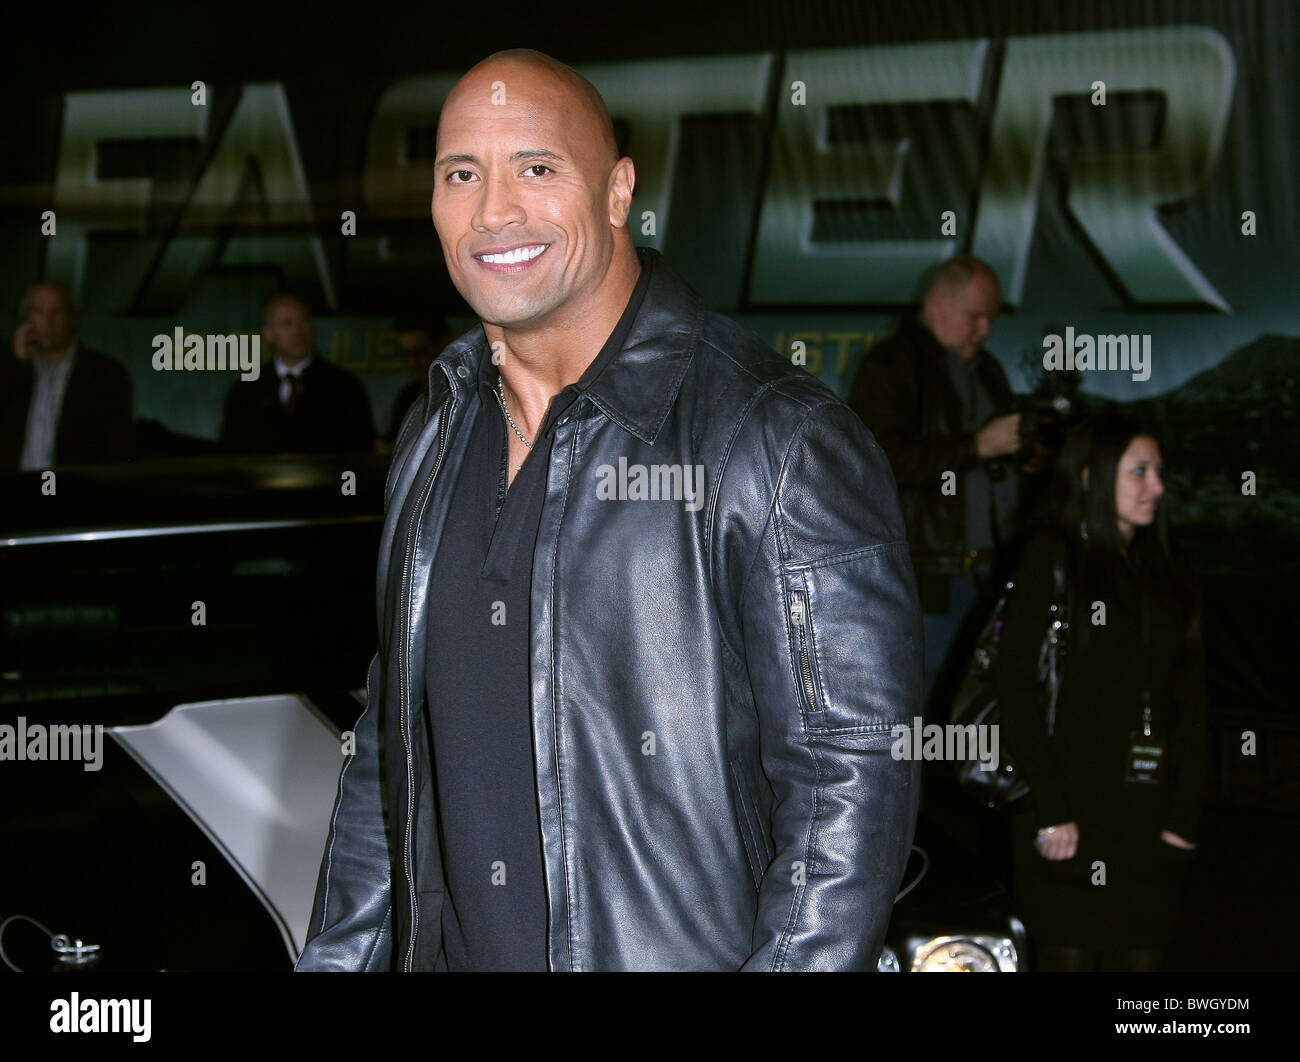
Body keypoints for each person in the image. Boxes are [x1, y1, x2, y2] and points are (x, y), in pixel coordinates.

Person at [295, 48, 922, 972]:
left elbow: (849, 788)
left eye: (537, 169)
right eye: (460, 174)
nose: (493, 212)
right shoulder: (437, 427)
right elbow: (396, 742)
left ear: (619, 190)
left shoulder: (772, 438)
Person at [994, 411, 1207, 971]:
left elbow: (1192, 701)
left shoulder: (1167, 568)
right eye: (1139, 471)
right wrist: (1050, 808)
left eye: (1159, 472)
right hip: (1066, 820)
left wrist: (1186, 812)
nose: (1157, 487)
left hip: (1148, 817)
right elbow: (1015, 688)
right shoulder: (1052, 559)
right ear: (1091, 476)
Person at [847, 257, 1021, 708]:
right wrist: (976, 446)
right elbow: (874, 461)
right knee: (923, 707)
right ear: (939, 303)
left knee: (975, 707)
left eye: (991, 318)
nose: (985, 329)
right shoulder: (891, 365)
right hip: (929, 580)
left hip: (987, 574)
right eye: (975, 316)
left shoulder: (986, 370)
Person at [1, 281, 133, 470]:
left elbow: (117, 448)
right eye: (38, 312)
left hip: (76, 490)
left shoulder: (106, 374)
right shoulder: (10, 367)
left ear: (73, 318)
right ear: (26, 319)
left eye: (57, 312)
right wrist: (15, 365)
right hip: (14, 491)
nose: (48, 321)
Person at [220, 293, 374, 454]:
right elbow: (231, 454)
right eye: (286, 324)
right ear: (268, 334)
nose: (298, 331)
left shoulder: (345, 387)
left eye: (304, 321)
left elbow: (360, 452)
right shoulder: (246, 390)